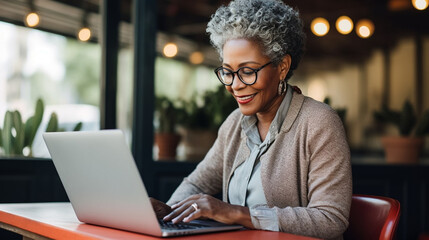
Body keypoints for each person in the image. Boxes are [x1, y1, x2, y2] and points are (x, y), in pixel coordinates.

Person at [151, 0, 352, 239]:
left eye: (248, 71)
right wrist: (170, 212)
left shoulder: (319, 122)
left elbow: (330, 219)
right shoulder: (234, 124)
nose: (235, 85)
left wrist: (238, 213)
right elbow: (197, 184)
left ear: (282, 67)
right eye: (227, 71)